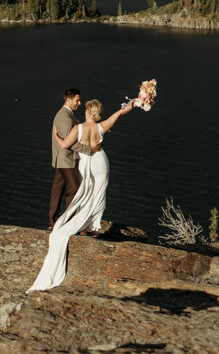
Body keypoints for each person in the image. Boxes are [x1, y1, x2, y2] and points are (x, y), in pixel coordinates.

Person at [29, 98, 134, 293]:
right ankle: (94, 226)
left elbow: (65, 145)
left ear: (87, 112)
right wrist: (134, 104)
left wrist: (56, 137)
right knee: (99, 193)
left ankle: (84, 223)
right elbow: (119, 114)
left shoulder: (78, 129)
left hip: (87, 163)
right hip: (101, 162)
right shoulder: (101, 127)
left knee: (85, 193)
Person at [49, 87, 95, 230]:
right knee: (75, 188)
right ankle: (67, 222)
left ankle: (53, 222)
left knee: (57, 189)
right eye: (77, 100)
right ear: (68, 100)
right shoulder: (63, 116)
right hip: (65, 159)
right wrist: (89, 149)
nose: (79, 103)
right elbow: (68, 142)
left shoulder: (67, 114)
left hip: (63, 159)